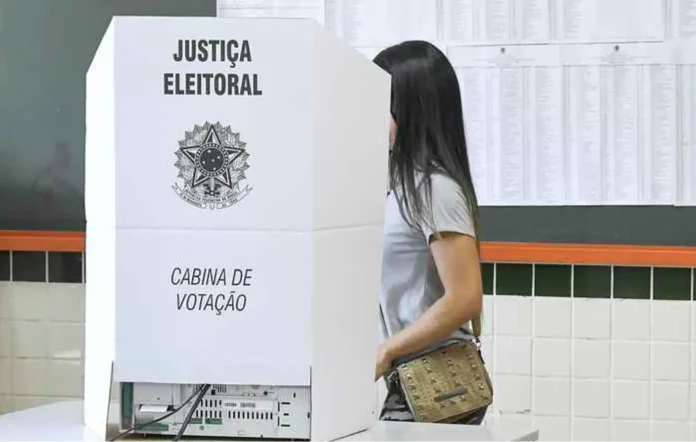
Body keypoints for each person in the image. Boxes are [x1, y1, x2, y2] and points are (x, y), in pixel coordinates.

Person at [373, 41, 486, 425]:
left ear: (410, 109)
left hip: (435, 383)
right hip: (409, 379)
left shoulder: (435, 188)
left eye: (379, 102)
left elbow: (465, 298)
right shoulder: (401, 185)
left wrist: (386, 351)